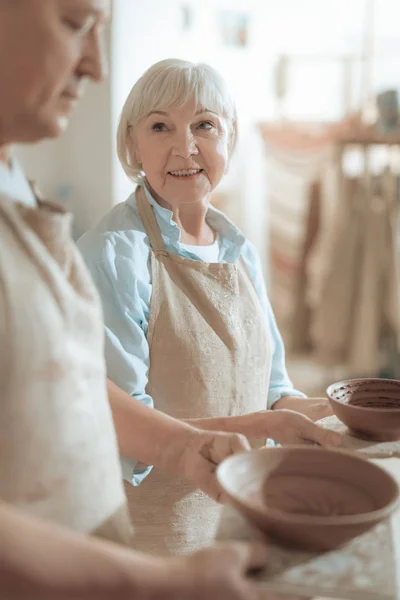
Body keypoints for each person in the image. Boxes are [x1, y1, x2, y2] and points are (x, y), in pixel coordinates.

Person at [0, 2, 279, 598]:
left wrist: (185, 446)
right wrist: (152, 581)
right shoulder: (114, 249)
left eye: (205, 124)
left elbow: (71, 388)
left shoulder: (15, 187)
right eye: (74, 23)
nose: (96, 65)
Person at [78, 58, 341, 556]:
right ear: (133, 143)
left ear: (229, 138)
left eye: (204, 125)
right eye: (161, 127)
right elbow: (125, 430)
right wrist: (264, 427)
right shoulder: (113, 254)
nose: (186, 147)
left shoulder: (238, 249)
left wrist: (329, 416)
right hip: (154, 540)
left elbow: (273, 391)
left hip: (244, 519)